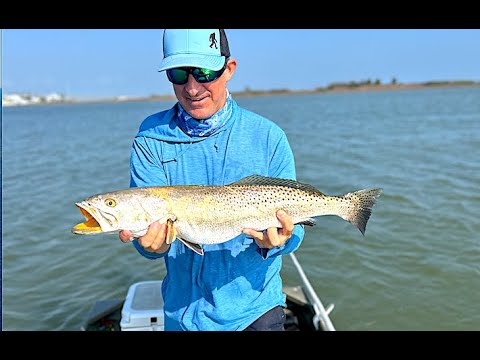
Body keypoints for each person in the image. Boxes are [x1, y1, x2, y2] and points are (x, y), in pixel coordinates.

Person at [119, 29, 305, 331]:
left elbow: (294, 232)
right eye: (179, 74)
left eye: (205, 73)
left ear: (229, 69)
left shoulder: (268, 137)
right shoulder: (150, 137)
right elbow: (148, 241)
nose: (192, 88)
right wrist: (150, 246)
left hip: (255, 312)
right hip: (182, 315)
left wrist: (278, 241)